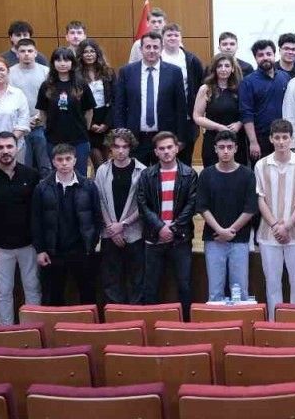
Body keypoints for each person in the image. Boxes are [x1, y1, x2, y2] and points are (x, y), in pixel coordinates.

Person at [0, 132, 41, 325]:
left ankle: (32, 331)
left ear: (17, 148)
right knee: (4, 292)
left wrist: (40, 245)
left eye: (9, 146)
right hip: (0, 248)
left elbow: (38, 213)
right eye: (0, 147)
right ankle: (7, 333)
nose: (5, 151)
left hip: (29, 245)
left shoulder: (32, 175)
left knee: (33, 288)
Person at [135, 131, 197, 318]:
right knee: (150, 287)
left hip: (180, 239)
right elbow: (142, 205)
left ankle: (186, 324)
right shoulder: (146, 175)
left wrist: (173, 228)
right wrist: (160, 227)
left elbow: (192, 204)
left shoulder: (189, 174)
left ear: (177, 148)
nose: (166, 151)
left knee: (185, 285)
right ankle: (151, 324)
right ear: (156, 152)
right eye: (161, 149)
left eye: (170, 147)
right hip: (154, 238)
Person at [32, 145, 103, 305]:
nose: (64, 163)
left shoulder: (88, 186)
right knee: (54, 296)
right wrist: (40, 250)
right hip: (54, 251)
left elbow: (97, 217)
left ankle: (89, 322)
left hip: (82, 249)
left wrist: (91, 244)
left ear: (75, 160)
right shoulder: (42, 188)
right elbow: (36, 221)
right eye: (60, 159)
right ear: (53, 162)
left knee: (88, 294)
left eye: (68, 159)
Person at [255, 120, 295, 318]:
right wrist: (275, 225)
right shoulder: (261, 165)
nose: (281, 142)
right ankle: (274, 325)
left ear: (291, 139)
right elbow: (260, 199)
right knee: (272, 284)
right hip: (268, 235)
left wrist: (287, 225)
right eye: (277, 137)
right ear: (271, 139)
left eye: (285, 137)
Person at [197, 131, 257, 301]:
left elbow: (250, 208)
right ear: (215, 149)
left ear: (236, 148)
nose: (225, 151)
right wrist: (220, 231)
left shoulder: (247, 174)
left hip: (239, 239)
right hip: (214, 239)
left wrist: (231, 231)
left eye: (229, 147)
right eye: (222, 147)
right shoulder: (206, 174)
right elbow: (202, 207)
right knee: (215, 292)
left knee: (240, 291)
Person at [112, 32, 189, 165]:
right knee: (137, 175)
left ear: (161, 48)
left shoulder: (174, 72)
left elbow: (181, 107)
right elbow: (119, 105)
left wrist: (180, 138)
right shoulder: (127, 72)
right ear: (141, 49)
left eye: (155, 47)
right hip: (135, 137)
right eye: (148, 47)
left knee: (162, 174)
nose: (152, 51)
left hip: (164, 137)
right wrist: (120, 135)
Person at [94, 128, 145, 305]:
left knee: (136, 281)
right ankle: (114, 318)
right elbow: (100, 200)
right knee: (111, 281)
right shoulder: (102, 170)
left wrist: (122, 225)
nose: (121, 151)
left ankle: (135, 318)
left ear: (130, 147)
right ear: (110, 148)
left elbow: (143, 204)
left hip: (134, 233)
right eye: (116, 146)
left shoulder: (142, 171)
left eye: (125, 146)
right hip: (109, 233)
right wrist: (112, 227)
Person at [37, 46, 96, 173]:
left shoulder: (81, 84)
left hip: (79, 139)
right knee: (58, 174)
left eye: (66, 60)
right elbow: (42, 111)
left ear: (72, 63)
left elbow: (89, 110)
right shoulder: (46, 85)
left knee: (80, 174)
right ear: (53, 63)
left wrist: (84, 128)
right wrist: (47, 128)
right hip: (54, 139)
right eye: (58, 60)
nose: (62, 64)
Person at [160, 24, 206, 165]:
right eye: (169, 35)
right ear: (162, 38)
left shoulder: (191, 60)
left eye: (176, 35)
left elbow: (201, 85)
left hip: (186, 118)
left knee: (185, 158)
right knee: (163, 156)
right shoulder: (157, 58)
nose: (172, 38)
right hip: (162, 117)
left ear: (181, 38)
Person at [193, 53, 248, 167]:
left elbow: (248, 111)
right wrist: (218, 127)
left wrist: (239, 123)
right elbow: (197, 116)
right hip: (213, 139)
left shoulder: (242, 88)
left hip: (236, 138)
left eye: (227, 66)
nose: (223, 69)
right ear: (214, 69)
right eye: (219, 66)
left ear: (232, 68)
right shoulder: (206, 89)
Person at [240, 39, 291, 161]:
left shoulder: (285, 77)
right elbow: (246, 114)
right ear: (255, 58)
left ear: (274, 55)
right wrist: (253, 142)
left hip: (283, 136)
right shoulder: (248, 82)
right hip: (260, 139)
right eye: (260, 55)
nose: (265, 58)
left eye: (268, 54)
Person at [8, 38, 51, 172]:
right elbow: (8, 100)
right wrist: (24, 121)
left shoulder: (46, 72)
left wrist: (38, 117)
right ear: (17, 54)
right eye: (22, 51)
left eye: (30, 51)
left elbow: (50, 99)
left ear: (36, 53)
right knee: (24, 167)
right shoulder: (9, 73)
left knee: (45, 166)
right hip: (18, 126)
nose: (26, 54)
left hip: (41, 125)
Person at [79, 39, 115, 170]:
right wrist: (90, 123)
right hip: (88, 122)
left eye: (92, 51)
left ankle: (107, 183)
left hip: (106, 120)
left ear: (97, 53)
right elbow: (77, 103)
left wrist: (107, 123)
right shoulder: (77, 76)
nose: (89, 54)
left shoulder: (108, 72)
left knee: (107, 160)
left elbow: (115, 99)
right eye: (85, 52)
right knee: (98, 163)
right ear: (81, 55)